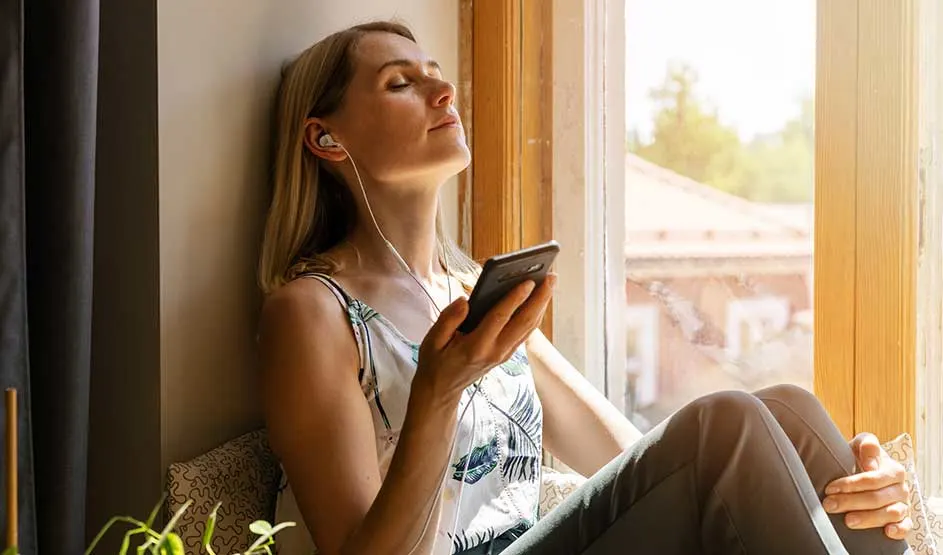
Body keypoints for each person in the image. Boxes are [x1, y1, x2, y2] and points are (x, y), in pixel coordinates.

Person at [257, 20, 914, 555]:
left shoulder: (473, 296)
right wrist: (436, 391)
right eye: (400, 83)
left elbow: (644, 463)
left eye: (437, 76)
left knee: (787, 413)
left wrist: (837, 486)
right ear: (325, 137)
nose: (442, 93)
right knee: (729, 419)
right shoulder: (311, 311)